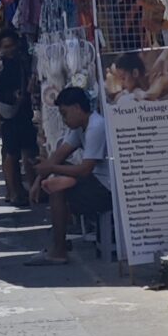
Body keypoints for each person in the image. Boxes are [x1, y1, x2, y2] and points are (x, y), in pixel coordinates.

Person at [30, 86, 112, 264]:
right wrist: (40, 178)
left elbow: (85, 169)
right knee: (57, 177)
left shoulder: (96, 126)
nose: (64, 119)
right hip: (94, 179)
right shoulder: (78, 128)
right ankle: (57, 242)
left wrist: (52, 171)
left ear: (76, 108)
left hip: (106, 187)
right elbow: (57, 157)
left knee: (58, 190)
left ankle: (58, 250)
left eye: (65, 113)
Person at [0, 20, 38, 207]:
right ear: (0, 47)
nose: (9, 49)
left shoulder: (20, 60)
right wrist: (13, 96)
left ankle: (26, 189)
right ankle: (14, 191)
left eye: (12, 45)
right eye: (5, 46)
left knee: (26, 151)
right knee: (11, 153)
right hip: (10, 114)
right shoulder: (0, 65)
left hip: (22, 111)